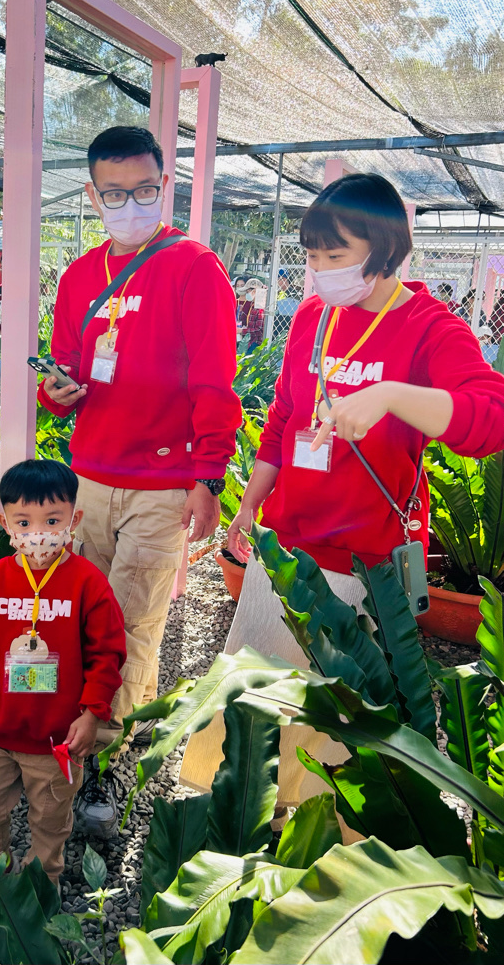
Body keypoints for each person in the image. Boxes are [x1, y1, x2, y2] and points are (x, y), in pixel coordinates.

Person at [182, 172, 504, 810]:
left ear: (385, 249)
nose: (322, 270)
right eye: (313, 255)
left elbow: (489, 419)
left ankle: (318, 831)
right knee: (254, 698)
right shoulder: (312, 315)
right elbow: (284, 419)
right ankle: (239, 816)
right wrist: (250, 506)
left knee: (335, 722)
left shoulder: (429, 327)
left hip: (364, 559)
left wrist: (391, 396)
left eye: (337, 255)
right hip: (287, 549)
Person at [37, 125, 241, 835]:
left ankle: (105, 762)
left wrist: (208, 476)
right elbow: (64, 367)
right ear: (93, 195)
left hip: (161, 483)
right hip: (87, 478)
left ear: (165, 186)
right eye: (115, 193)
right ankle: (97, 726)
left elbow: (214, 381)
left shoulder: (193, 267)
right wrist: (55, 392)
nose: (130, 203)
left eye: (144, 190)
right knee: (78, 618)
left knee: (131, 622)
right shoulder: (78, 277)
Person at [0, 459, 126, 920]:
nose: (38, 533)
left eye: (51, 520)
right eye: (23, 522)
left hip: (58, 740)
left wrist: (92, 713)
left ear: (73, 520)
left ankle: (43, 882)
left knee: (51, 819)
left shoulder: (88, 584)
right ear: (4, 522)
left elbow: (107, 655)